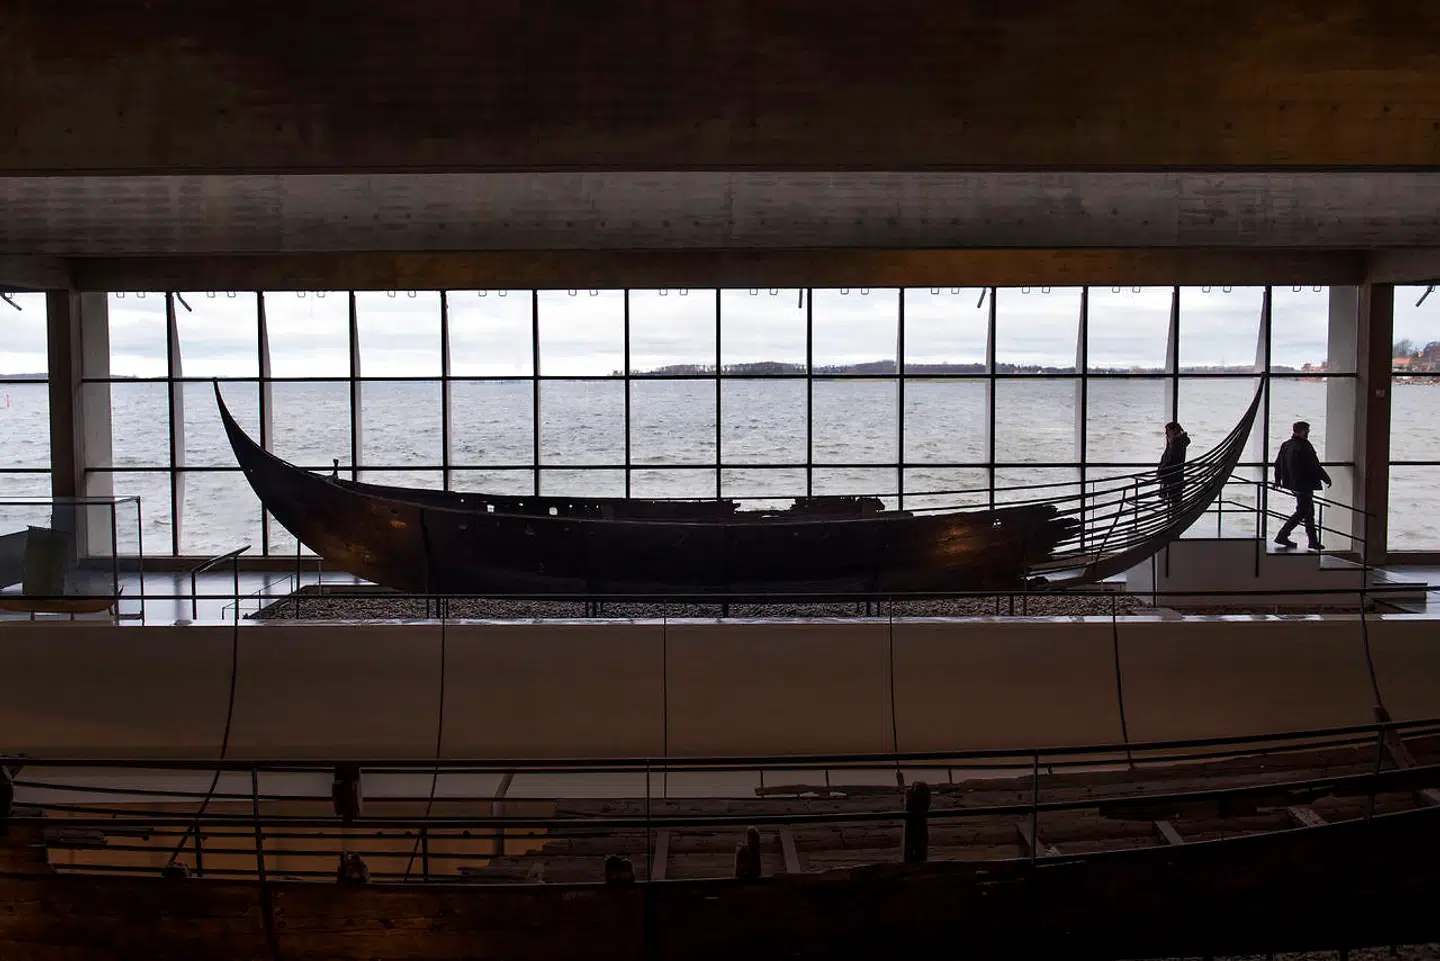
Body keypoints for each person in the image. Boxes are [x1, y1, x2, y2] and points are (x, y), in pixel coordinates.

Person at [1273, 420, 1331, 550]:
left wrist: (1277, 480)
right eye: (1308, 430)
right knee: (1303, 511)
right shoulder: (1304, 446)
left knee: (1307, 511)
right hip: (1305, 484)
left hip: (1293, 483)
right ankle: (1283, 534)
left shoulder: (1286, 445)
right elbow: (1314, 465)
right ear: (1303, 431)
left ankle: (1312, 540)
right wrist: (1326, 478)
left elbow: (1278, 463)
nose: (1309, 433)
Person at [1157, 421, 1189, 513]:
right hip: (1174, 476)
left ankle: (1176, 519)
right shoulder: (1177, 442)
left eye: (1168, 431)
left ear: (1174, 430)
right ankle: (1176, 519)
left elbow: (1170, 458)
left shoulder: (1176, 444)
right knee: (1175, 501)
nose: (1166, 433)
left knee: (1175, 501)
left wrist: (1161, 470)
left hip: (1173, 476)